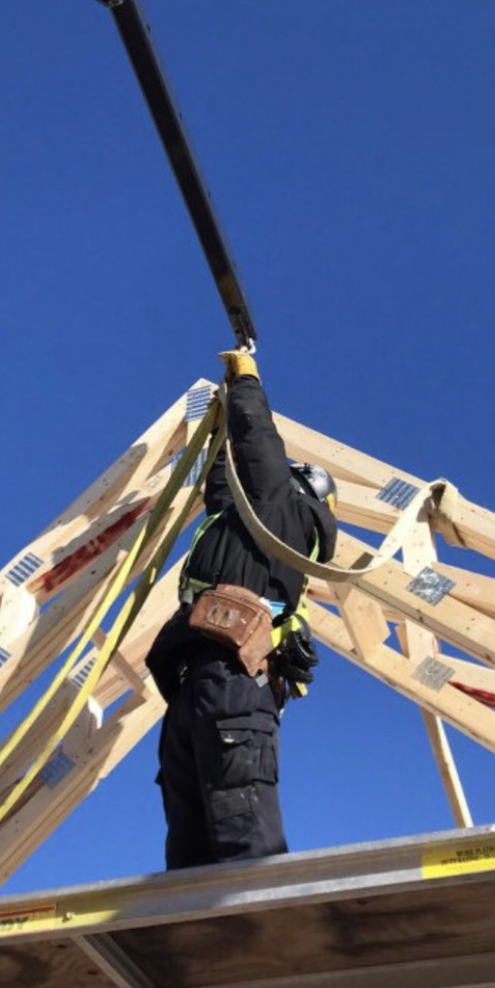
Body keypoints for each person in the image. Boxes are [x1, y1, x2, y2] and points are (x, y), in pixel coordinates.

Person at [146, 349, 338, 870]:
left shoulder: (285, 510)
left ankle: (262, 938)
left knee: (243, 836)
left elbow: (258, 446)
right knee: (189, 853)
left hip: (233, 681)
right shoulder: (249, 530)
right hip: (196, 687)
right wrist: (219, 428)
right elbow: (224, 492)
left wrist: (247, 385)